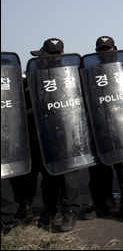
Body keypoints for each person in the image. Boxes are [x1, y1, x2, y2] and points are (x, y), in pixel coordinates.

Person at [11, 38, 81, 232]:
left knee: (67, 174)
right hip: (35, 134)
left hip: (62, 134)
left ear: (55, 57)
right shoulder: (32, 78)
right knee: (43, 175)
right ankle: (50, 210)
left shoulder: (69, 77)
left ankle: (70, 212)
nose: (39, 61)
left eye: (42, 57)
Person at [83, 36, 123, 223]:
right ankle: (103, 204)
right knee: (99, 171)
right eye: (102, 50)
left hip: (121, 128)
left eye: (109, 49)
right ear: (97, 54)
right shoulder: (91, 72)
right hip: (100, 129)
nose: (106, 53)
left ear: (115, 50)